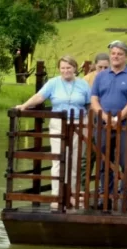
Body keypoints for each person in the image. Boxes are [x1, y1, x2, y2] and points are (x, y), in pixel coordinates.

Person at [15, 55, 90, 209]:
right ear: (59, 69)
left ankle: (73, 195)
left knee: (75, 161)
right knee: (58, 159)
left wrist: (88, 124)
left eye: (69, 67)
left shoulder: (83, 85)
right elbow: (40, 96)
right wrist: (24, 105)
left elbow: (89, 105)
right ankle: (57, 195)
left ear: (75, 68)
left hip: (78, 123)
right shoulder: (53, 83)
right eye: (63, 68)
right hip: (58, 123)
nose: (66, 71)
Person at [90, 41, 127, 207]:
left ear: (126, 56)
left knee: (125, 162)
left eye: (119, 54)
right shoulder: (101, 76)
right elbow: (94, 100)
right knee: (104, 161)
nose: (115, 56)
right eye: (113, 53)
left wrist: (118, 119)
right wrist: (105, 117)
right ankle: (105, 194)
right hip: (103, 125)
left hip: (125, 126)